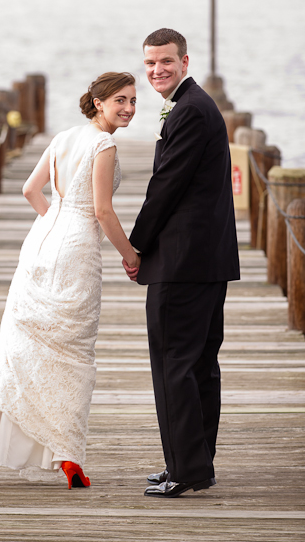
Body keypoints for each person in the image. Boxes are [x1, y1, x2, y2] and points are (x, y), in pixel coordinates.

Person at [0, 72, 140, 489]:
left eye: (132, 101)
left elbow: (29, 190)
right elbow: (103, 213)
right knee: (74, 354)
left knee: (24, 350)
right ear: (98, 103)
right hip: (75, 250)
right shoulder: (104, 144)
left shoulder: (62, 138)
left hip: (41, 240)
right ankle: (69, 460)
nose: (128, 108)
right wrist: (131, 258)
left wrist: (56, 225)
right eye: (120, 101)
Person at [123, 28, 240, 498]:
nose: (156, 71)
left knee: (174, 363)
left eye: (165, 62)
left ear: (185, 61)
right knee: (197, 365)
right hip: (206, 259)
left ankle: (187, 469)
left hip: (184, 262)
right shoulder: (193, 105)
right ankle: (193, 462)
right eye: (150, 63)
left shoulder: (189, 110)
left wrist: (136, 248)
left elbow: (166, 186)